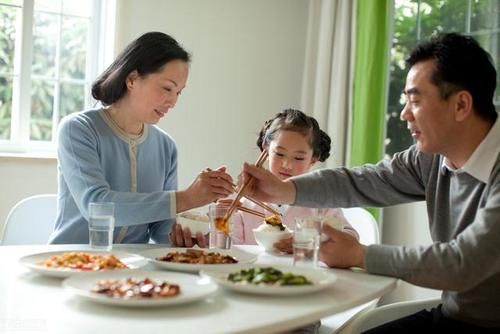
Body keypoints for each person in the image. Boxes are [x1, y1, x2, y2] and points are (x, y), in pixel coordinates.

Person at [241, 32, 499, 332]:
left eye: (414, 101)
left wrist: (361, 255)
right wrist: (285, 189)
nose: (404, 114)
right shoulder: (429, 159)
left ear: (461, 105)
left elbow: (461, 264)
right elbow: (362, 181)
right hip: (455, 318)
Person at [49, 32, 234, 246]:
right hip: (71, 262)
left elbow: (161, 229)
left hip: (133, 269)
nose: (172, 102)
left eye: (178, 93)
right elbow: (96, 206)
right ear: (132, 79)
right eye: (167, 88)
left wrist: (185, 236)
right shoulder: (78, 129)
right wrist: (186, 198)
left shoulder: (166, 146)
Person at [231, 108, 358, 251]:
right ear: (265, 150)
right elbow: (231, 248)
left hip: (305, 272)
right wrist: (218, 224)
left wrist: (309, 242)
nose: (287, 165)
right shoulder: (247, 200)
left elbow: (351, 238)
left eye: (298, 158)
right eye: (279, 154)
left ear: (313, 160)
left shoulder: (321, 200)